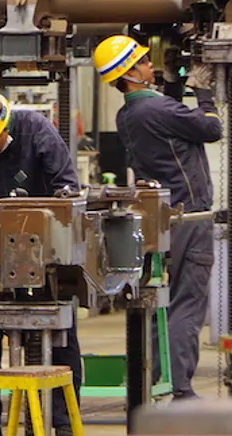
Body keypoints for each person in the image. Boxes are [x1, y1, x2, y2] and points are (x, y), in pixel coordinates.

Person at [0, 85, 82, 436]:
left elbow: (67, 188)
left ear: (5, 123)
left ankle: (64, 421)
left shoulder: (36, 130)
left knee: (59, 333)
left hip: (45, 250)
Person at [94, 34, 220, 399]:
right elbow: (211, 128)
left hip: (162, 217)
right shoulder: (160, 110)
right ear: (130, 74)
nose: (152, 66)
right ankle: (181, 389)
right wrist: (204, 93)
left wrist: (174, 87)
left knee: (156, 305)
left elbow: (175, 124)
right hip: (191, 217)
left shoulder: (129, 113)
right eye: (145, 62)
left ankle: (154, 381)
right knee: (187, 303)